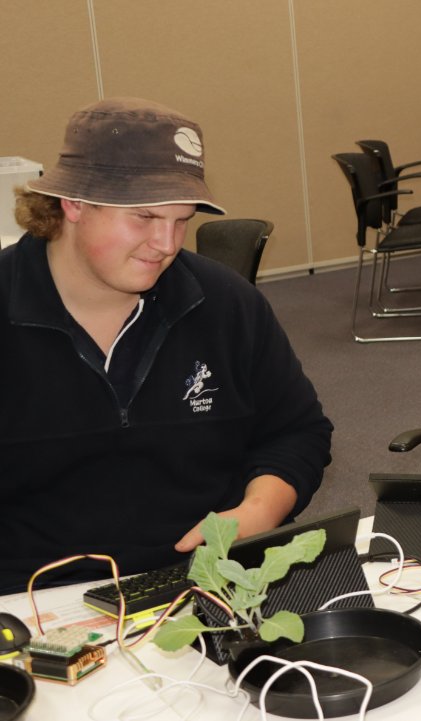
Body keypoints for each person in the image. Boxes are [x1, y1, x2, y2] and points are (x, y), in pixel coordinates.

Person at [0, 98, 333, 592]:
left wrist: (259, 511)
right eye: (144, 217)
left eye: (182, 220)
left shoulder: (227, 304)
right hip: (33, 601)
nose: (167, 244)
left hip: (207, 582)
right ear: (73, 204)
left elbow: (296, 432)